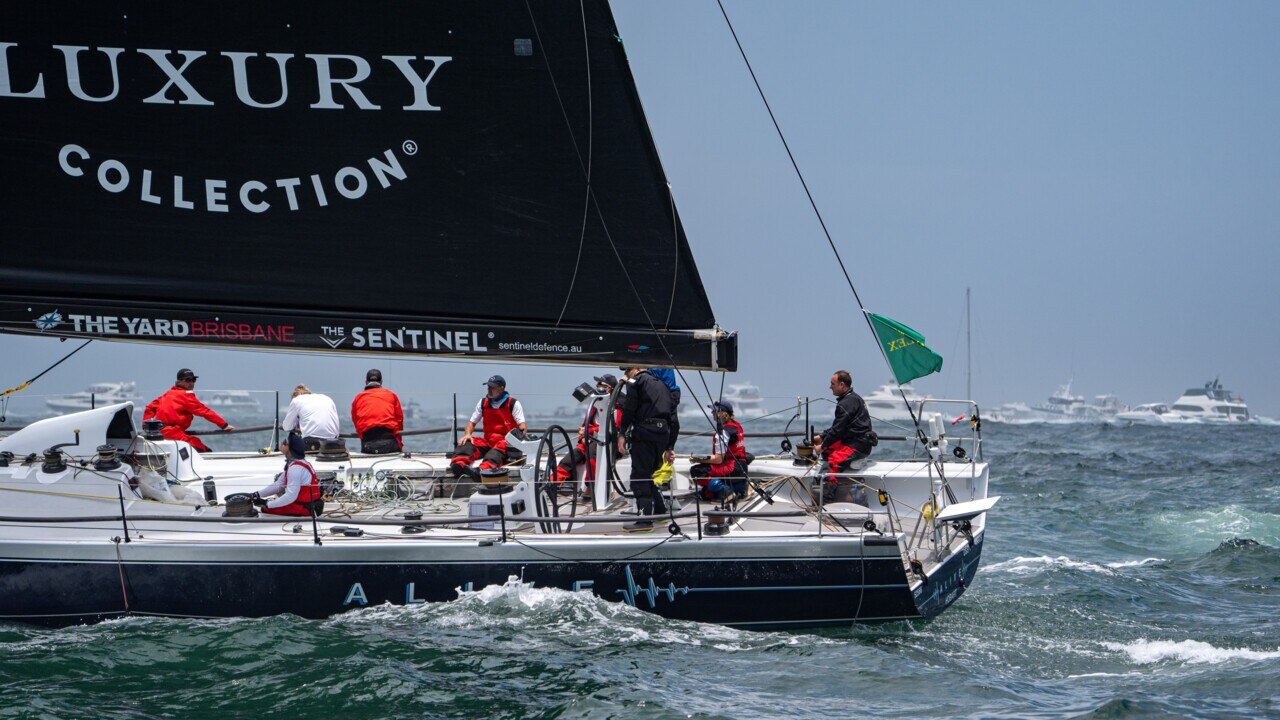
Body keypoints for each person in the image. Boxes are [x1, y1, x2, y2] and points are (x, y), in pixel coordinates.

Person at [617, 366, 674, 531]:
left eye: (627, 372)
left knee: (639, 477)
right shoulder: (663, 385)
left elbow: (630, 408)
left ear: (634, 370)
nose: (626, 375)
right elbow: (673, 417)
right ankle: (660, 512)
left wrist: (622, 434)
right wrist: (670, 446)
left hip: (645, 434)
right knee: (647, 474)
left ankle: (644, 521)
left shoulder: (636, 382)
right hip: (662, 436)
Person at [812, 370, 878, 504]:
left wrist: (822, 446)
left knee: (831, 464)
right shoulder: (852, 398)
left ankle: (826, 506)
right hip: (855, 441)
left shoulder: (846, 403)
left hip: (858, 445)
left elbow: (838, 430)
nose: (830, 387)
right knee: (828, 453)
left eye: (832, 384)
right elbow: (840, 427)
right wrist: (823, 436)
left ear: (842, 385)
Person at [450, 375, 528, 479]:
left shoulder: (513, 403)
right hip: (488, 442)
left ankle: (482, 470)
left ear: (501, 388)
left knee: (500, 447)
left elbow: (522, 427)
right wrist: (468, 435)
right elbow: (471, 424)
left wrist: (516, 441)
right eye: (488, 387)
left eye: (492, 387)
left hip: (506, 443)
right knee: (468, 442)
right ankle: (459, 465)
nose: (489, 390)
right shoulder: (483, 403)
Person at [142, 368, 235, 452]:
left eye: (193, 380)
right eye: (188, 380)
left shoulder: (168, 394)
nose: (192, 383)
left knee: (196, 444)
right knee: (205, 450)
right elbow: (204, 411)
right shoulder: (186, 395)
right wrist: (224, 425)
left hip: (160, 433)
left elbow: (149, 408)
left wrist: (146, 427)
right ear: (178, 382)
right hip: (173, 433)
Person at [553, 373, 619, 491]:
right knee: (569, 459)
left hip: (606, 444)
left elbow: (613, 429)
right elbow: (586, 426)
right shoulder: (594, 406)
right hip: (589, 441)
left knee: (592, 454)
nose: (597, 385)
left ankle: (591, 487)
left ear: (609, 388)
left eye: (600, 384)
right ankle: (552, 484)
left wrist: (588, 431)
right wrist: (582, 436)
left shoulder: (617, 408)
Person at [251, 432, 324, 516]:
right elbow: (279, 484)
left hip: (304, 508)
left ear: (291, 449)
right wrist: (258, 494)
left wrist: (267, 504)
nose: (282, 443)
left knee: (265, 509)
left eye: (285, 442)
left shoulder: (295, 468)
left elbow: (290, 497)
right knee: (269, 506)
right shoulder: (298, 463)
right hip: (306, 505)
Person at [690, 400, 748, 503]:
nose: (712, 413)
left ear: (722, 413)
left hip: (732, 468)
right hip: (742, 468)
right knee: (705, 494)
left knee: (696, 471)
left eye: (714, 411)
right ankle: (740, 487)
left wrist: (698, 459)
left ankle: (725, 491)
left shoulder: (723, 432)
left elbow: (718, 459)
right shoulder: (736, 426)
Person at [350, 369, 404, 454]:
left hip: (368, 444)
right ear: (381, 382)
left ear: (366, 382)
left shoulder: (358, 398)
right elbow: (399, 420)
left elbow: (356, 421)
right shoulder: (392, 395)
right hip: (389, 443)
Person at [281, 384, 340, 451]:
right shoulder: (327, 398)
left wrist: (296, 422)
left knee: (285, 445)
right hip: (334, 442)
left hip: (311, 443)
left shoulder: (296, 400)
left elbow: (286, 427)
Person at [649, 367, 682, 453]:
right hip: (663, 393)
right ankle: (667, 449)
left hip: (668, 393)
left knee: (672, 423)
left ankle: (668, 449)